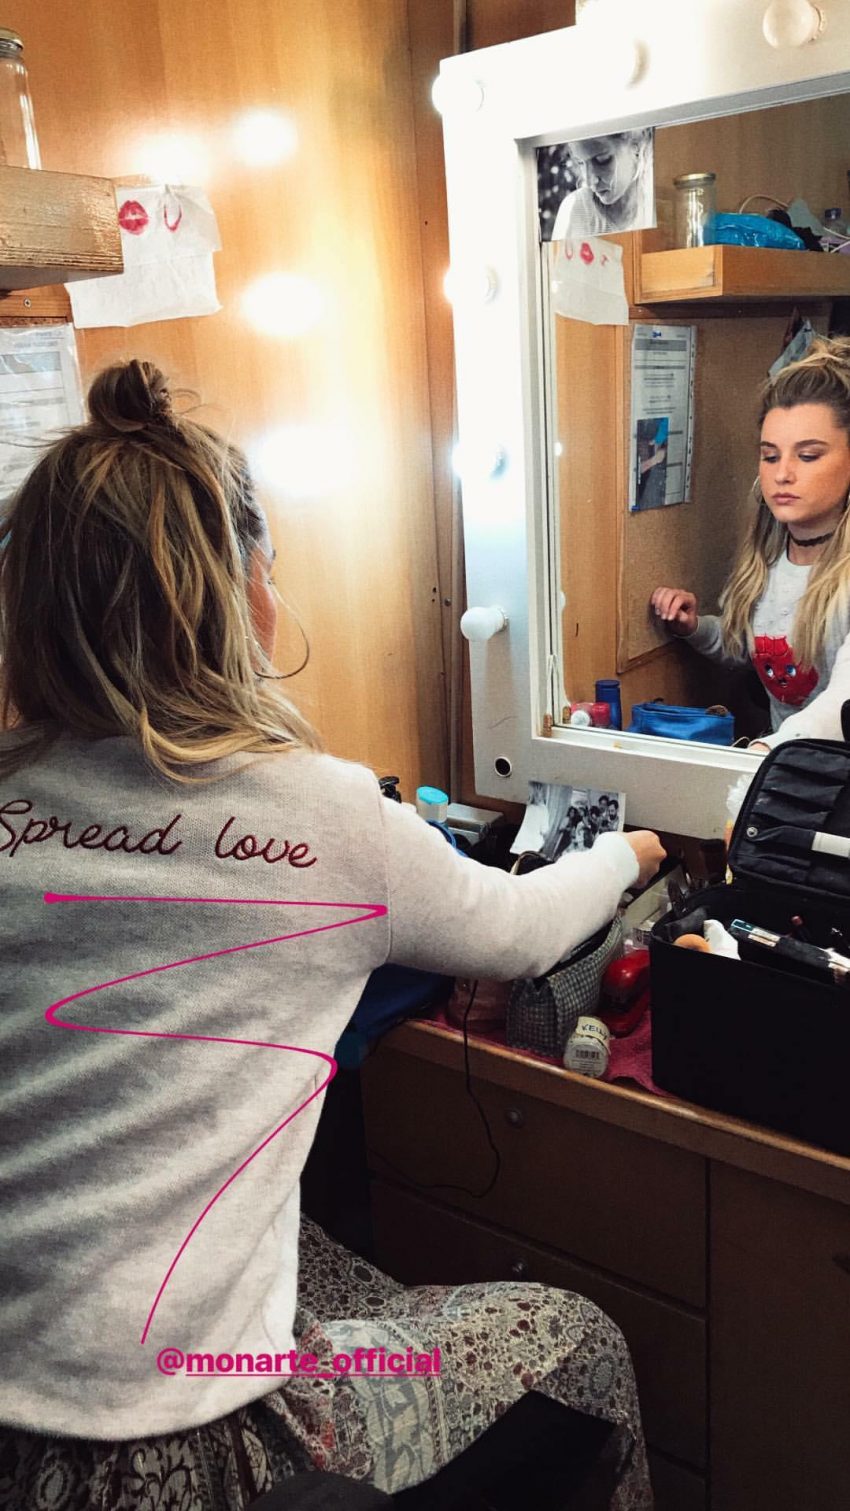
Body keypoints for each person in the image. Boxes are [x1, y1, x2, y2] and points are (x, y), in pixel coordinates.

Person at [0, 361, 664, 1511]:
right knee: (575, 1338)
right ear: (242, 593)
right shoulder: (315, 816)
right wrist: (627, 855)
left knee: (315, 1243)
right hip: (192, 1434)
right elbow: (520, 930)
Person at [651, 336, 850, 752]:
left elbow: (842, 702)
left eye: (808, 456)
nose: (783, 474)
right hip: (789, 768)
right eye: (771, 456)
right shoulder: (771, 558)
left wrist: (767, 751)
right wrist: (696, 628)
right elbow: (753, 648)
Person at [551, 130, 654, 240]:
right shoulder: (576, 209)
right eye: (580, 163)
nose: (589, 181)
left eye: (602, 160)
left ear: (636, 147)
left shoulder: (655, 202)